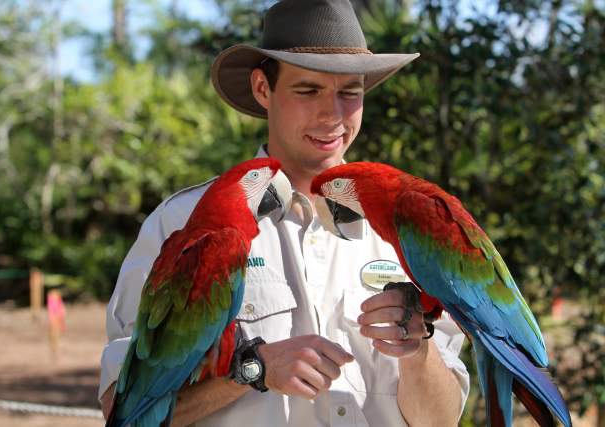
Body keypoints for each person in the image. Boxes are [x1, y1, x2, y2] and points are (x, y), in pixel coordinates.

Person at [99, 1, 470, 426]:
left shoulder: (412, 225)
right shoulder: (184, 225)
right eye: (308, 90)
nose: (333, 114)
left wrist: (416, 350)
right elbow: (120, 411)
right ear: (262, 89)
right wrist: (251, 369)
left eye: (350, 92)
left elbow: (443, 420)